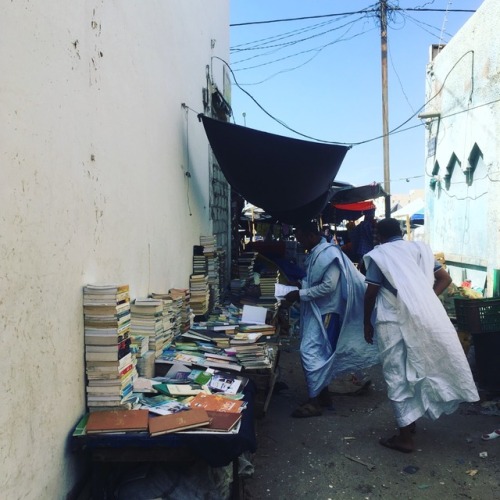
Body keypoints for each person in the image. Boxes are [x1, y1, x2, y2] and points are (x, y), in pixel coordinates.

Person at [363, 218, 479, 452]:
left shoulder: (381, 254)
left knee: (396, 373)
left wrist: (366, 322)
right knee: (416, 366)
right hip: (422, 316)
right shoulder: (420, 250)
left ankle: (405, 438)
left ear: (380, 235)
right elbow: (445, 278)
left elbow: (371, 293)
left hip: (392, 321)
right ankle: (409, 420)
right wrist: (424, 297)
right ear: (401, 233)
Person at [284, 220, 379, 418]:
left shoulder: (328, 254)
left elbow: (328, 286)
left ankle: (314, 402)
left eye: (301, 239)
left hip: (326, 311)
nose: (300, 243)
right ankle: (321, 396)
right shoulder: (319, 252)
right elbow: (315, 281)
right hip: (318, 309)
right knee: (320, 353)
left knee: (309, 352)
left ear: (311, 235)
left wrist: (299, 294)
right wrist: (300, 285)